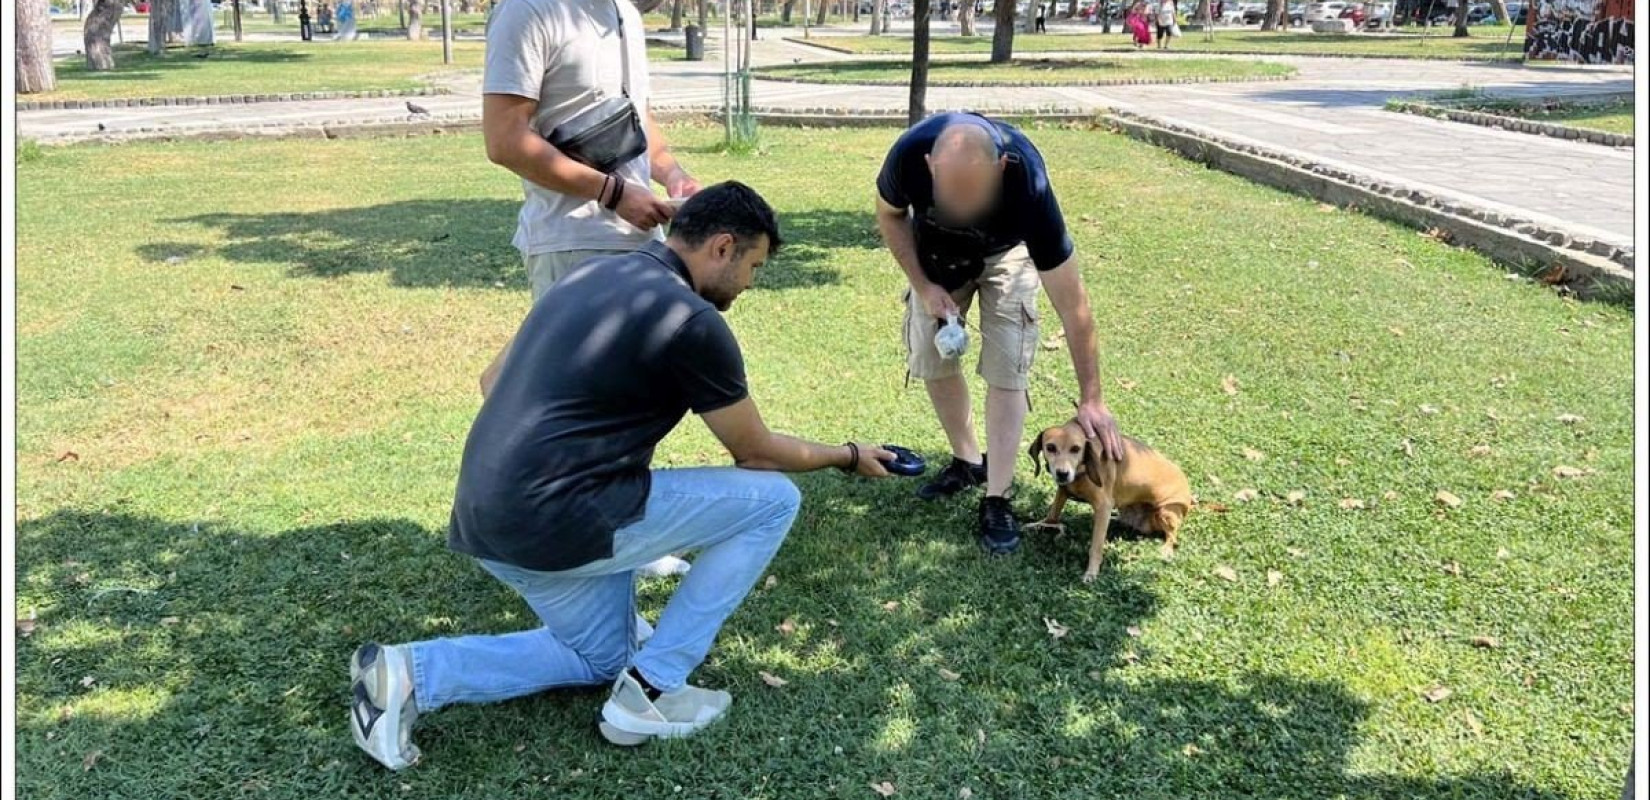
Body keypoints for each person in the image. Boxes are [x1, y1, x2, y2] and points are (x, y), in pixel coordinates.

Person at [349, 183, 895, 770]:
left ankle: (408, 673)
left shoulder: (587, 275)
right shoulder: (693, 321)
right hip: (558, 519)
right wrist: (847, 453)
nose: (750, 284)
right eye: (753, 267)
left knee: (601, 658)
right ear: (722, 247)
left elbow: (491, 382)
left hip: (485, 519)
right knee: (772, 501)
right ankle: (657, 688)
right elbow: (756, 453)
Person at [873, 113, 1124, 557]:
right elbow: (890, 214)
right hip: (934, 256)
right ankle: (969, 460)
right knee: (933, 358)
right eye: (952, 198)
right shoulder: (909, 154)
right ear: (931, 165)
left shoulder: (1028, 181)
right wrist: (923, 286)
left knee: (1008, 365)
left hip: (1006, 255)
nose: (964, 212)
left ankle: (998, 495)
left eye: (975, 199)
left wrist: (1091, 397)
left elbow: (1073, 304)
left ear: (1000, 168)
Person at [477, 0, 700, 395]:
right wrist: (612, 193)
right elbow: (504, 140)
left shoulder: (624, 12)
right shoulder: (527, 10)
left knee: (626, 397)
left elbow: (635, 113)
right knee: (567, 402)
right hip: (571, 243)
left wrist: (671, 171)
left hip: (640, 242)